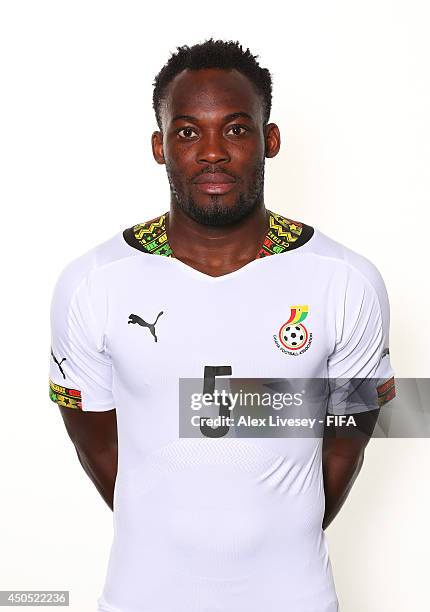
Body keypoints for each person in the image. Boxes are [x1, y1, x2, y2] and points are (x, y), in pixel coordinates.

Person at [48, 38, 396, 612]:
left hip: (296, 598)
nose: (213, 152)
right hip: (142, 597)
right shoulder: (93, 283)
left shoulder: (345, 280)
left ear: (270, 140)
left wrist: (279, 534)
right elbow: (95, 439)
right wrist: (176, 540)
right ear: (160, 147)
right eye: (188, 132)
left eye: (235, 129)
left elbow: (348, 440)